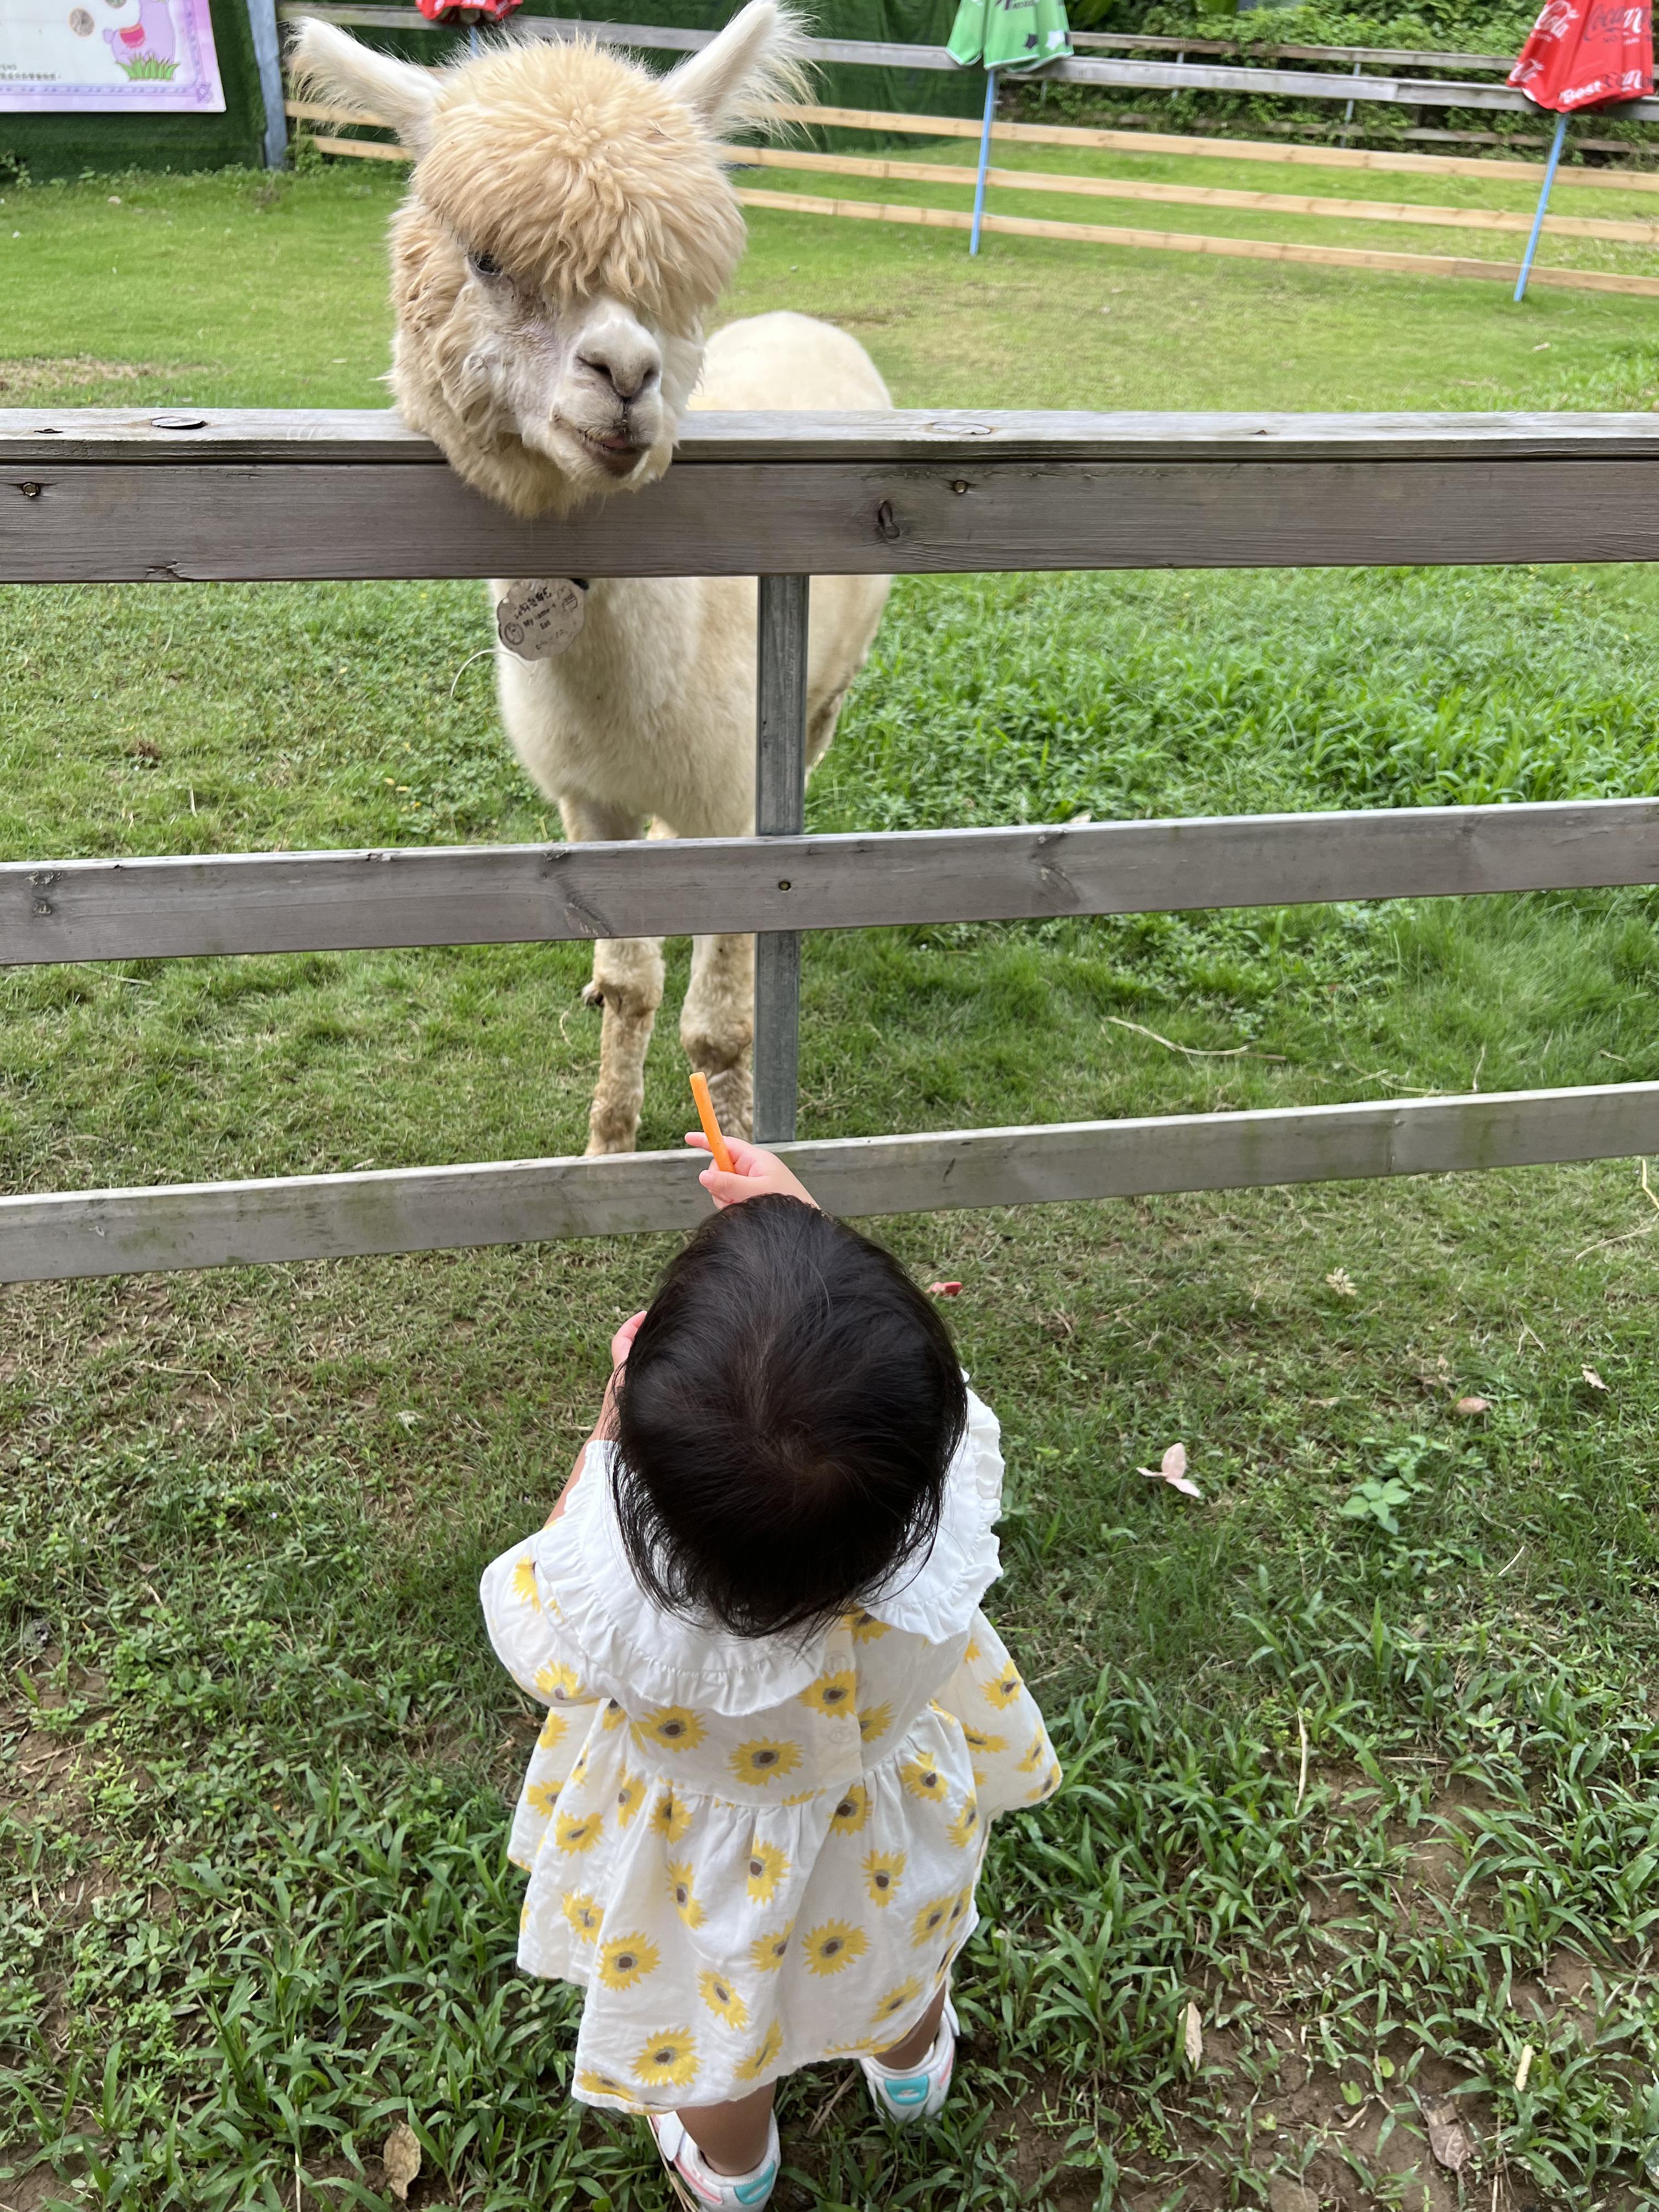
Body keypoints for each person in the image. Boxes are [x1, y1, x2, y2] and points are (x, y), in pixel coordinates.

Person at [480, 1132, 1060, 2210]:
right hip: (889, 1841)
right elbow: (931, 1406)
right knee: (902, 1967)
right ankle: (911, 2069)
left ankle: (734, 2169)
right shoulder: (940, 1530)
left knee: (722, 2042)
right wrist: (807, 1231)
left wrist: (612, 1418)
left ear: (649, 1499)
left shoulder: (621, 1618)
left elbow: (531, 1608)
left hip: (704, 1876)